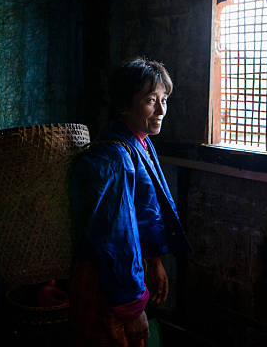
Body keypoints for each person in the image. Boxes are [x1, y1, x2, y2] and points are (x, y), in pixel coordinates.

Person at [69, 58, 190, 346]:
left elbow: (145, 213)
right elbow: (116, 237)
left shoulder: (140, 142)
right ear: (124, 104)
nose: (161, 110)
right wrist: (131, 305)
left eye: (164, 100)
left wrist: (154, 260)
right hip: (107, 280)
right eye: (151, 100)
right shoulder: (114, 158)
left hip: (125, 274)